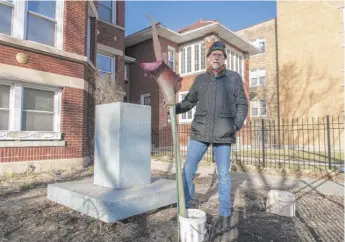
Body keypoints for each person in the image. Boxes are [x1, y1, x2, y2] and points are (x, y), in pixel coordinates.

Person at [165, 41, 248, 232]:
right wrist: (174, 108)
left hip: (224, 133)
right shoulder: (200, 80)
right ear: (208, 59)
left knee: (224, 174)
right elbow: (189, 102)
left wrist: (235, 125)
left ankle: (225, 214)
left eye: (220, 55)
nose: (216, 57)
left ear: (224, 59)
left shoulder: (234, 78)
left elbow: (242, 104)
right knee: (187, 170)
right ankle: (184, 206)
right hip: (200, 132)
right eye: (213, 55)